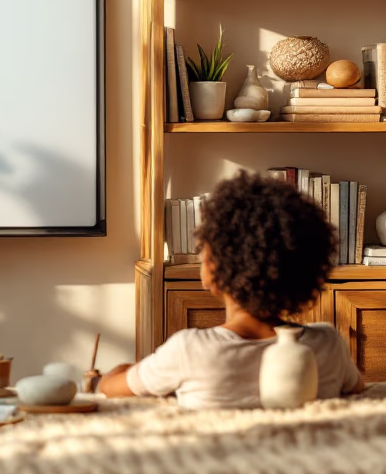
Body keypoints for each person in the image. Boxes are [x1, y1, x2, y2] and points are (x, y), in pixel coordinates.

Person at [99, 171, 363, 409]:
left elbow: (110, 387)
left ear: (214, 269)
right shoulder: (328, 344)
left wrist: (127, 370)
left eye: (204, 249)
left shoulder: (189, 349)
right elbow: (358, 388)